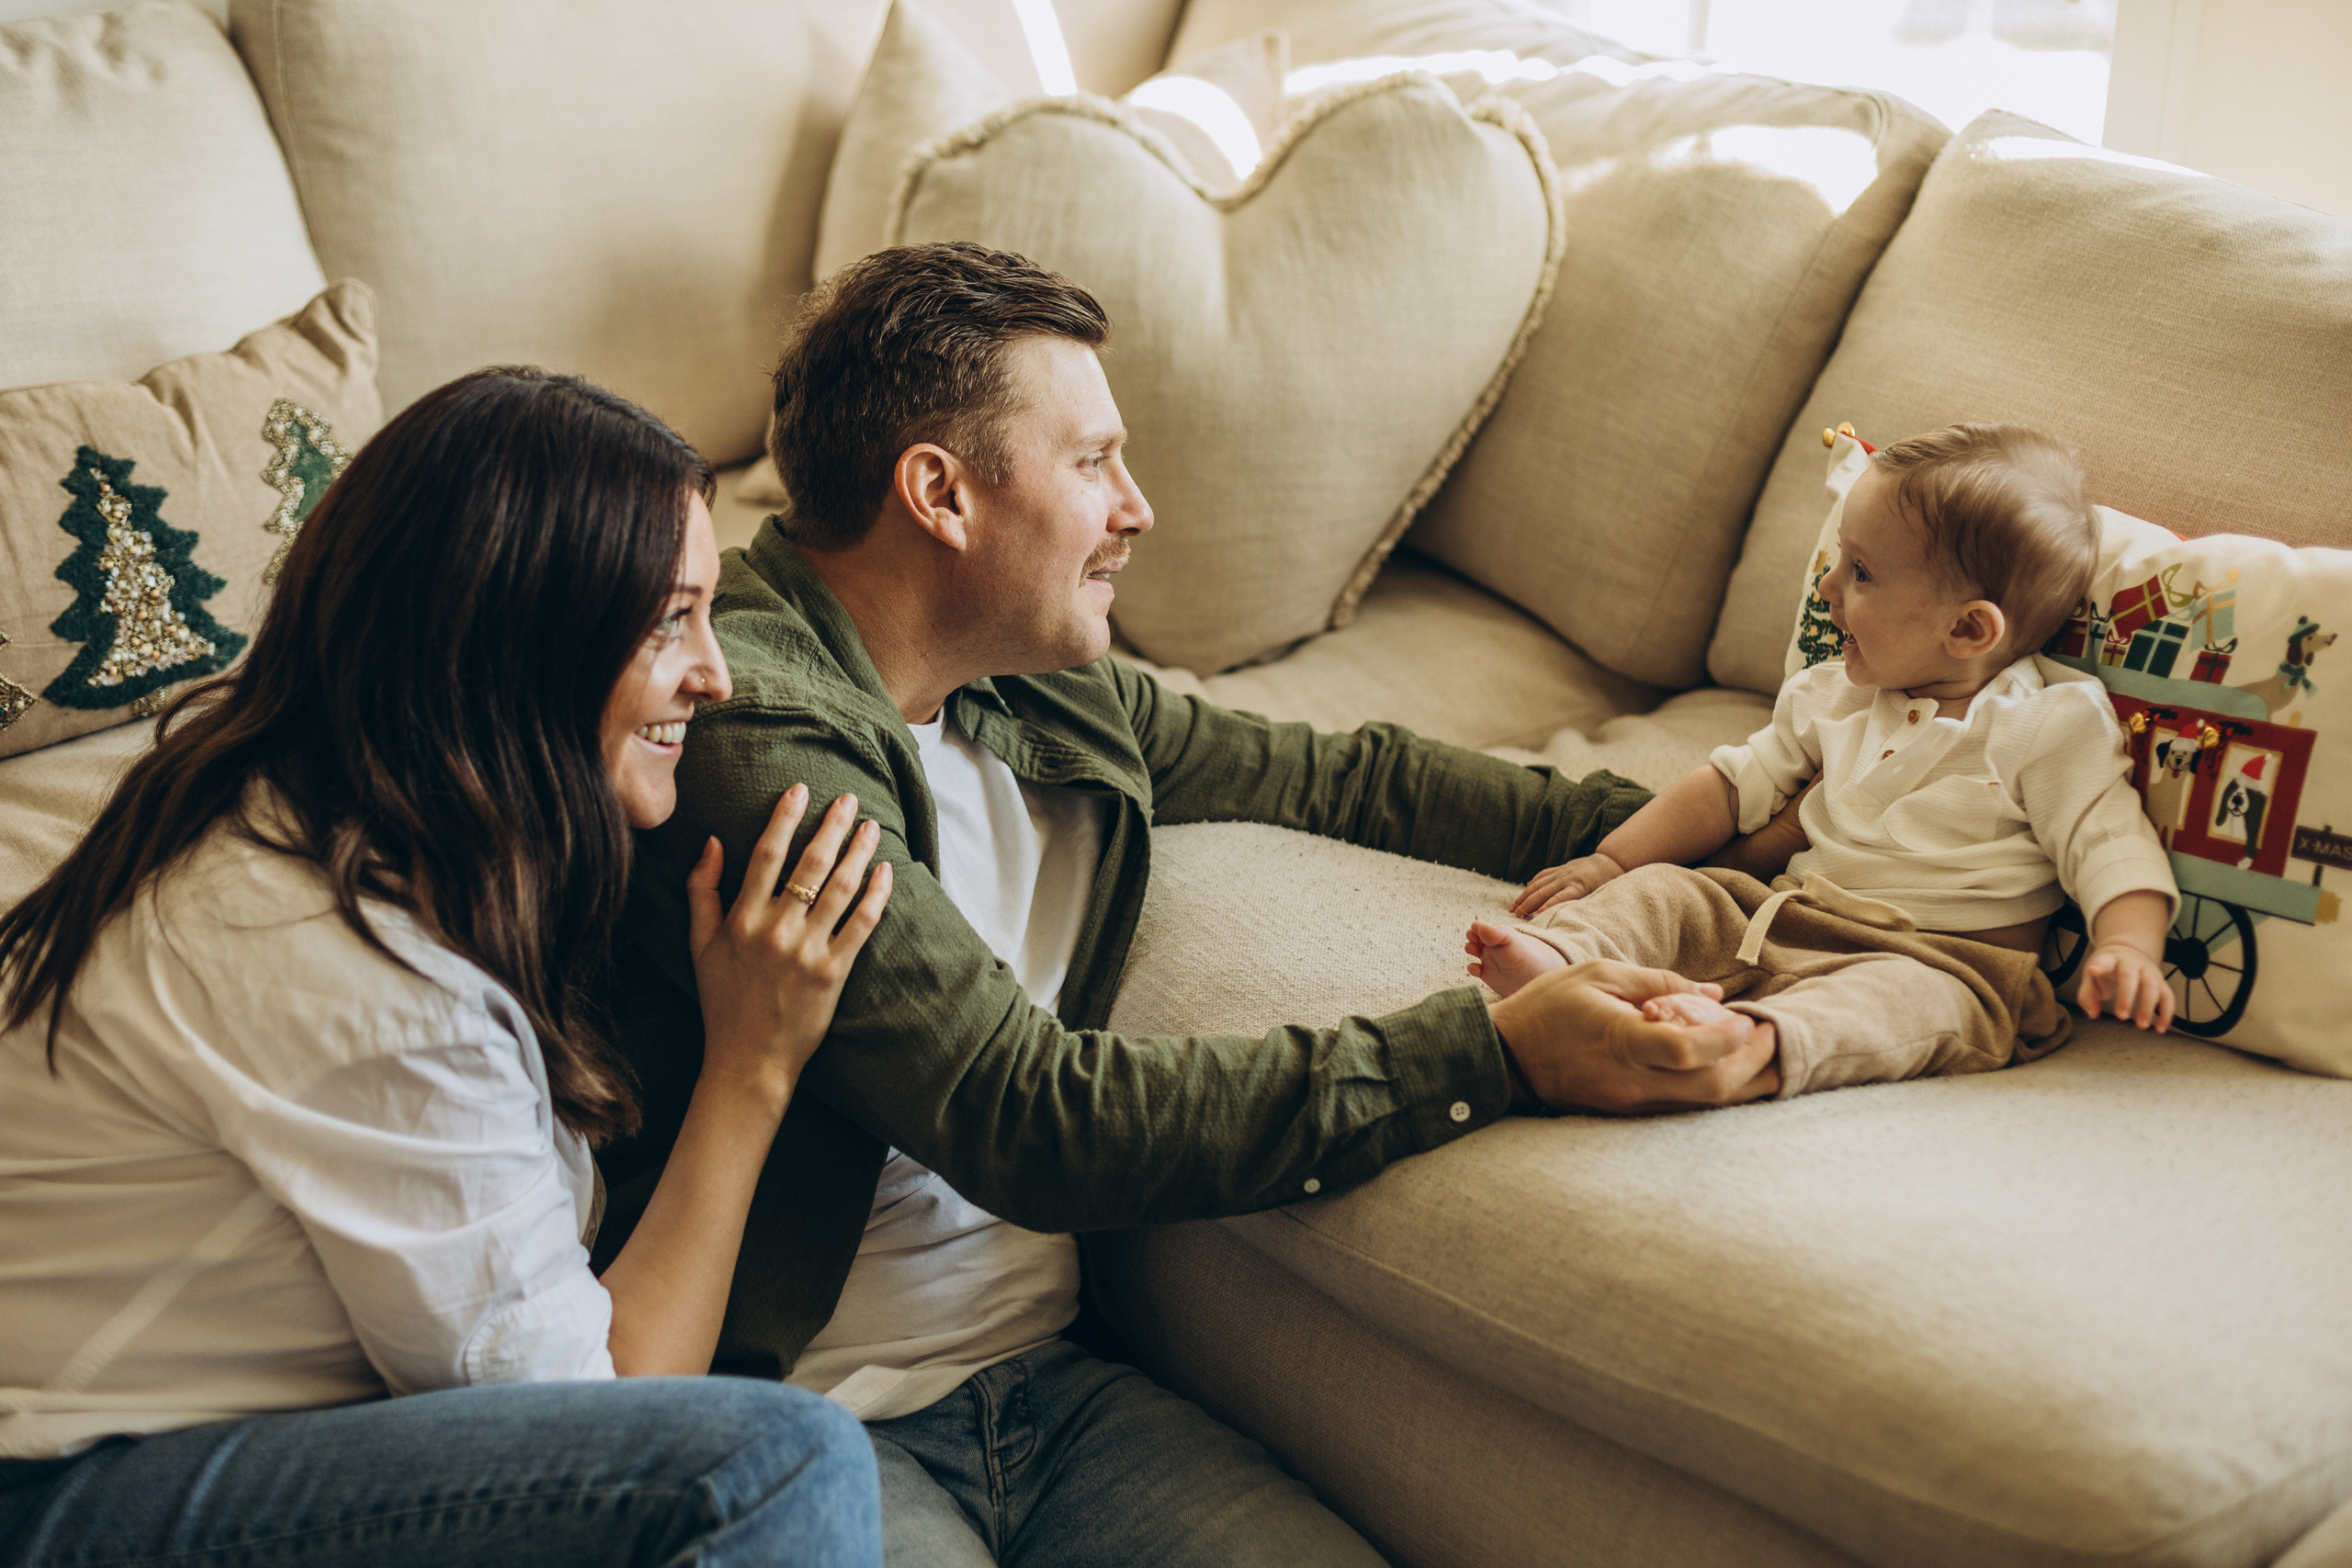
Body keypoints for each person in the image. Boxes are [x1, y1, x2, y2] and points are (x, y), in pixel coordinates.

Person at [600, 241, 1787, 1567]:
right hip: (816, 1423)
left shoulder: (1027, 671)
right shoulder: (750, 735)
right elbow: (1025, 1117)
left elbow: (1338, 777)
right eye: (1095, 461)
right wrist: (1496, 1048)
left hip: (1053, 1387)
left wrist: (1721, 820)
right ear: (939, 493)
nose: (1137, 508)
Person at [0, 368, 888, 1567]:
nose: (715, 675)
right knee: (777, 1461)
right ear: (522, 642)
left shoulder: (340, 824)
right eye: (670, 619)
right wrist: (754, 1065)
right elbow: (604, 1420)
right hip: (58, 1491)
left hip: (144, 1453)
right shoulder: (336, 962)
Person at [1467, 423, 2180, 1099]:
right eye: (1840, 559)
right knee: (1672, 893)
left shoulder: (2049, 724)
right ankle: (1567, 958)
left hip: (1941, 960)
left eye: (1861, 572)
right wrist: (1612, 865)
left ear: (1967, 628)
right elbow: (1725, 785)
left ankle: (1755, 1043)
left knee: (1894, 1008)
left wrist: (2130, 948)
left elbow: (2110, 841)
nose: (1828, 587)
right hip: (1780, 910)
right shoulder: (1832, 693)